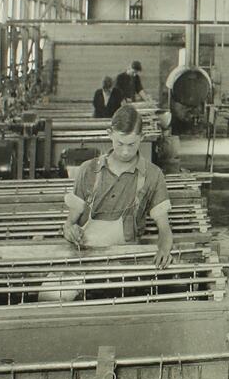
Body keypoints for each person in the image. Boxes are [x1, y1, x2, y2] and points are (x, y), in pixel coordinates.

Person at [63, 103, 174, 263]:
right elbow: (69, 224)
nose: (125, 151)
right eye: (120, 143)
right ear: (110, 134)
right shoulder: (88, 170)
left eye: (132, 145)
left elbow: (164, 228)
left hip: (126, 260)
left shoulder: (152, 175)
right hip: (84, 258)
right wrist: (70, 231)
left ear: (142, 137)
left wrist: (164, 250)